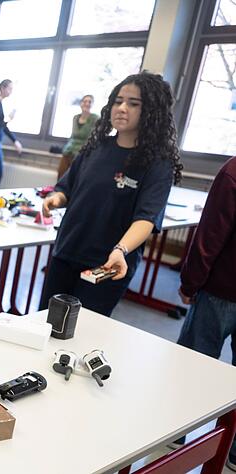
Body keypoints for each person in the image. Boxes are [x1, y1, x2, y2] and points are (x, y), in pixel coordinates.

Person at [39, 72, 183, 317]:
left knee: (81, 331)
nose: (122, 108)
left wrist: (121, 250)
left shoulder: (158, 164)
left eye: (133, 104)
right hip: (67, 251)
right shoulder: (95, 148)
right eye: (118, 101)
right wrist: (56, 198)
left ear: (151, 111)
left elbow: (146, 219)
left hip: (107, 264)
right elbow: (67, 187)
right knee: (45, 322)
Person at [175, 155, 236, 471]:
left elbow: (209, 237)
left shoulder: (233, 173)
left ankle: (175, 437)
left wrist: (189, 281)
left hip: (221, 291)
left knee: (192, 368)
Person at [58, 94, 98, 179]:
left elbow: (95, 138)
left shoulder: (95, 118)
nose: (87, 104)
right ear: (81, 103)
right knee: (61, 176)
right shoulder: (75, 118)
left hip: (83, 153)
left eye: (89, 102)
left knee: (75, 179)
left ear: (92, 105)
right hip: (68, 151)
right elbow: (72, 136)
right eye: (84, 101)